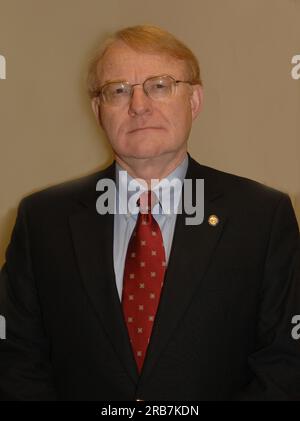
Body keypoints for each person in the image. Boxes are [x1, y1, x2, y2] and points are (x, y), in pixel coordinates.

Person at [0, 24, 299, 401]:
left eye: (160, 85)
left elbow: (285, 362)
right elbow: (16, 358)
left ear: (194, 101)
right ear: (97, 110)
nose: (139, 105)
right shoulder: (42, 220)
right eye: (118, 90)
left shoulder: (263, 217)